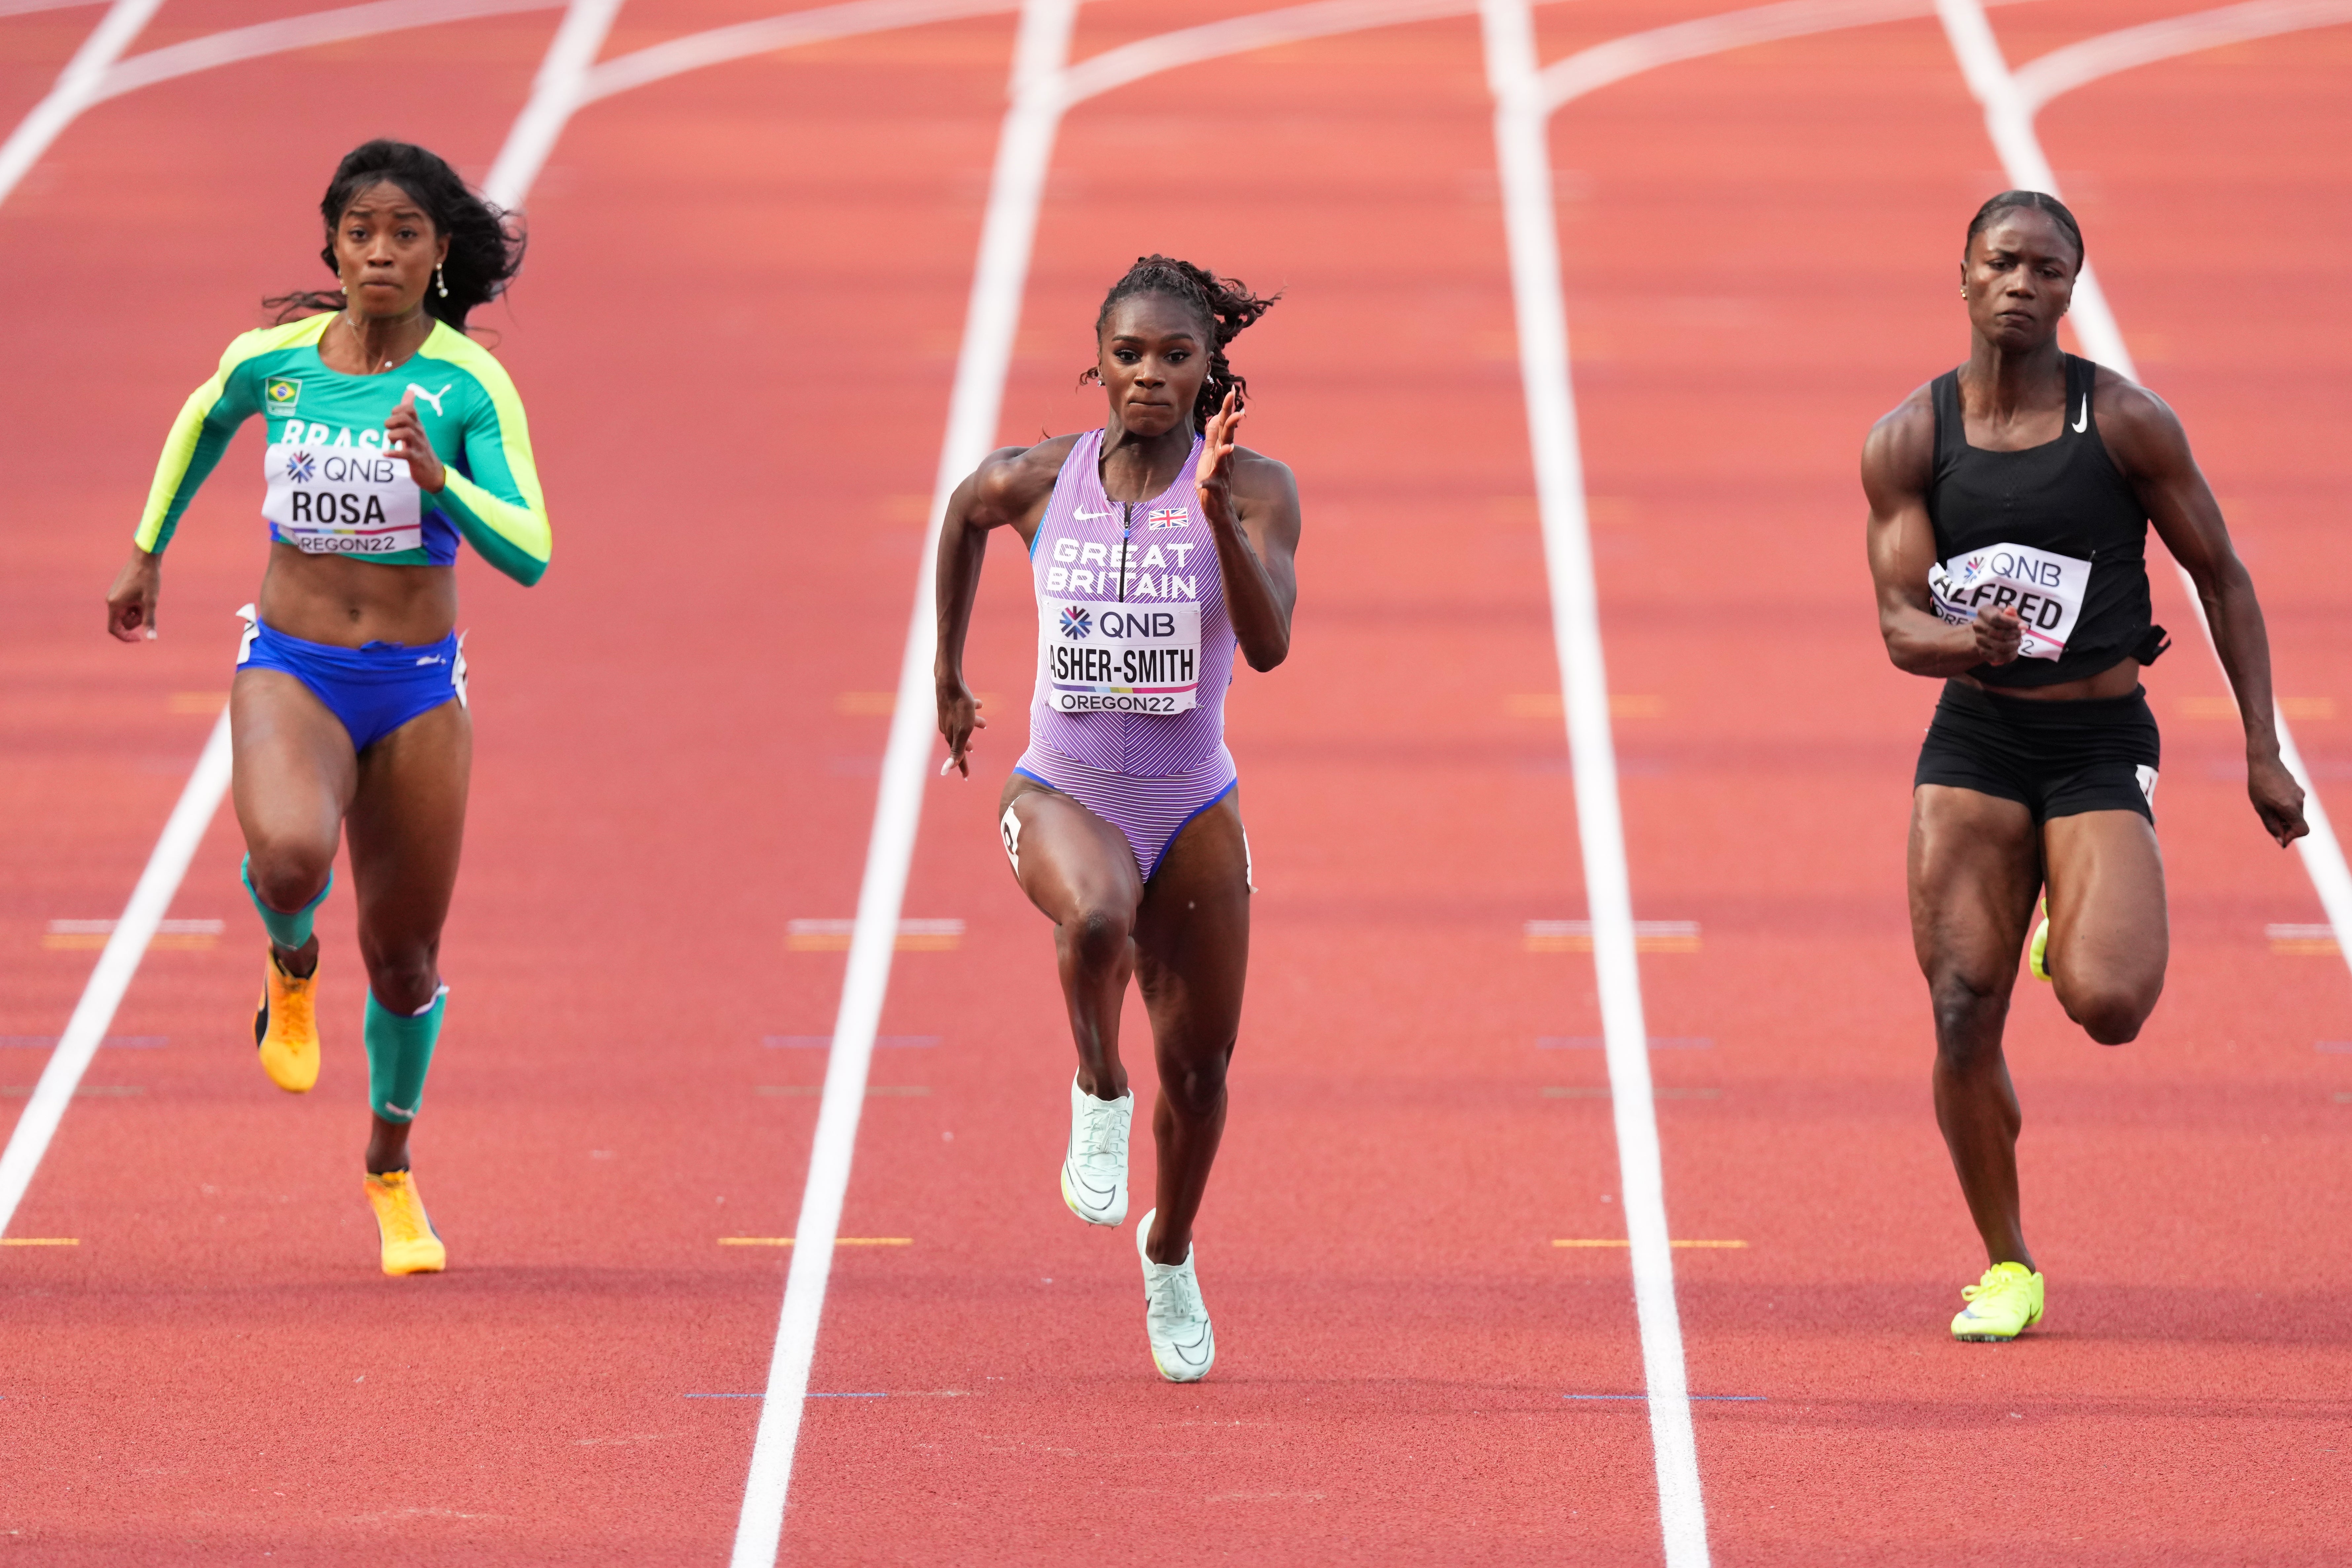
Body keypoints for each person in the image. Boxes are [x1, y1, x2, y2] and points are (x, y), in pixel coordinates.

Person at [1862, 191, 2306, 1341]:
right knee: (1964, 1007)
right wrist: (1969, 643)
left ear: (2072, 288)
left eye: (2048, 270)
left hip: (2102, 740)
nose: (2023, 284)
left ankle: (2080, 894)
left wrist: (2264, 750)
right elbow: (1901, 626)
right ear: (1960, 275)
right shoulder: (1911, 439)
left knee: (2110, 1005)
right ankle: (2008, 1264)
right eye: (2002, 263)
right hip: (1977, 738)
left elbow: (2226, 577)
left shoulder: (2124, 424)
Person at [106, 140, 549, 1276]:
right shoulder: (274, 364)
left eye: (405, 234)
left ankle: (390, 1171)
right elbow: (201, 423)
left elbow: (534, 552)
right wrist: (149, 551)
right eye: (362, 232)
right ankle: (287, 963)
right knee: (294, 857)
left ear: (441, 252)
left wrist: (443, 481)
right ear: (333, 246)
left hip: (414, 689)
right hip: (293, 664)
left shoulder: (466, 385)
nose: (381, 252)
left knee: (405, 958)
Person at [933, 256, 1299, 1380]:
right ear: (1095, 362)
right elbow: (963, 513)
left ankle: (1170, 1249)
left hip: (1190, 804)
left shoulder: (1256, 487)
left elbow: (1273, 644)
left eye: (1174, 357)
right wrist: (946, 678)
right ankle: (1097, 1082)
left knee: (1201, 1074)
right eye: (1129, 355)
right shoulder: (1043, 479)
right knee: (1093, 919)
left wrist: (1218, 519)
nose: (1149, 376)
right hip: (1063, 786)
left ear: (1207, 372)